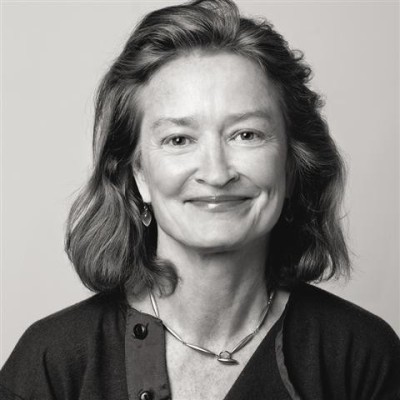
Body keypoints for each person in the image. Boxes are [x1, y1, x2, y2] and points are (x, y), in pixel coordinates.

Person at [1, 0, 399, 399]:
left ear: (292, 164)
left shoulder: (362, 357)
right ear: (138, 175)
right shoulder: (53, 363)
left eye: (246, 134)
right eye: (179, 139)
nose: (216, 172)